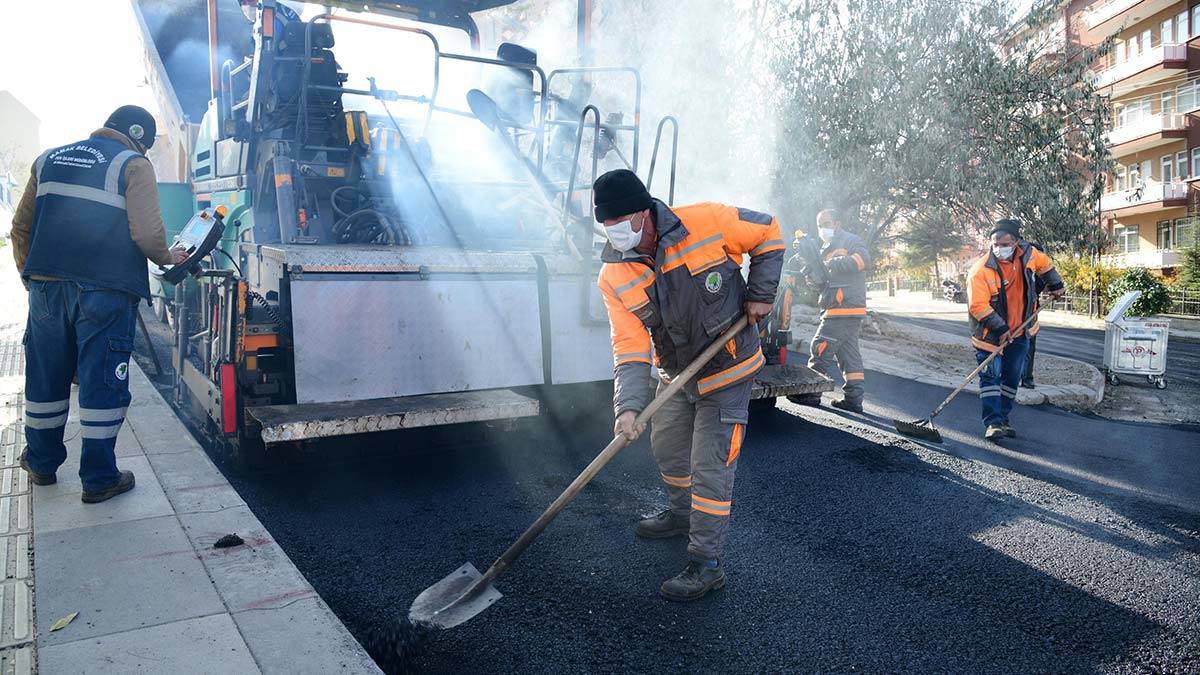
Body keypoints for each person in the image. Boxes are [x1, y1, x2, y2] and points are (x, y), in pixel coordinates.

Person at [594, 169, 784, 601]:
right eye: (605, 224)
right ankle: (681, 515)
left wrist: (761, 294)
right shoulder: (613, 276)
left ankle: (706, 563)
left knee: (710, 464)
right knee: (667, 446)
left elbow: (768, 232)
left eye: (619, 221)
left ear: (643, 213)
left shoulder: (706, 221)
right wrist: (628, 407)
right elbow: (629, 347)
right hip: (677, 375)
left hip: (728, 366)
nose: (613, 231)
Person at [10, 105, 187, 503]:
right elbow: (146, 234)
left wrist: (31, 278)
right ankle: (99, 477)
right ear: (139, 138)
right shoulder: (133, 164)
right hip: (104, 292)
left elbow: (20, 228)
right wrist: (167, 256)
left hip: (45, 288)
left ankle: (41, 462)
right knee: (101, 379)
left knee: (45, 377)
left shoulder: (47, 160)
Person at [966, 219, 1064, 442]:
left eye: (1005, 244)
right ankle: (993, 423)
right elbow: (978, 306)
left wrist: (1056, 284)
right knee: (991, 378)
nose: (999, 248)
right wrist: (1001, 328)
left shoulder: (1029, 255)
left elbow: (1046, 265)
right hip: (990, 336)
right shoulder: (980, 270)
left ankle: (1003, 418)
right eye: (995, 244)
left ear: (1017, 242)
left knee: (1012, 378)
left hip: (1021, 331)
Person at [806, 208, 870, 413]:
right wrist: (813, 279)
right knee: (848, 356)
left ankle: (810, 393)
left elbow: (862, 261)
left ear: (837, 224)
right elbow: (824, 282)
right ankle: (853, 399)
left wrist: (831, 263)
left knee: (820, 347)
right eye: (820, 225)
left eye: (826, 224)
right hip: (841, 308)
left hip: (843, 308)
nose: (823, 229)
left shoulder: (851, 241)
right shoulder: (824, 248)